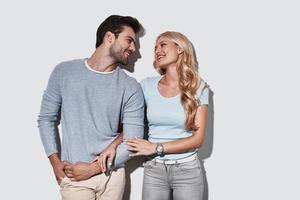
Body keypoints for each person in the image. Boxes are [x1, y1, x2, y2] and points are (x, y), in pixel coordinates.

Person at [37, 15, 144, 200]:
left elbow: (134, 140)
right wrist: (55, 163)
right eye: (129, 40)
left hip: (112, 175)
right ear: (109, 37)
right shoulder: (64, 71)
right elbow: (46, 119)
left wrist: (93, 169)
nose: (134, 49)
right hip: (74, 175)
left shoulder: (131, 86)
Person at [125, 31, 209, 200]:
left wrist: (156, 147)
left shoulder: (198, 87)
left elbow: (198, 139)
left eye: (163, 45)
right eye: (155, 48)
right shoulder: (145, 86)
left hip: (188, 170)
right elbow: (129, 120)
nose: (157, 50)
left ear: (179, 49)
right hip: (154, 169)